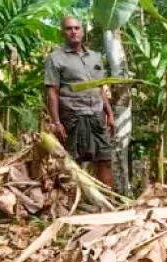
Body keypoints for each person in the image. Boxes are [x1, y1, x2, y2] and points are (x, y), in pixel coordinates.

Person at [45, 16, 115, 187]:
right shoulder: (56, 58)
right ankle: (72, 206)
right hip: (73, 117)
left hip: (97, 117)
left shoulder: (95, 57)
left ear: (82, 31)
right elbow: (52, 92)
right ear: (63, 32)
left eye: (77, 28)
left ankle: (110, 204)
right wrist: (56, 122)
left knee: (104, 160)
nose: (73, 31)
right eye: (69, 29)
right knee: (71, 164)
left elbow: (100, 88)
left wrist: (110, 114)